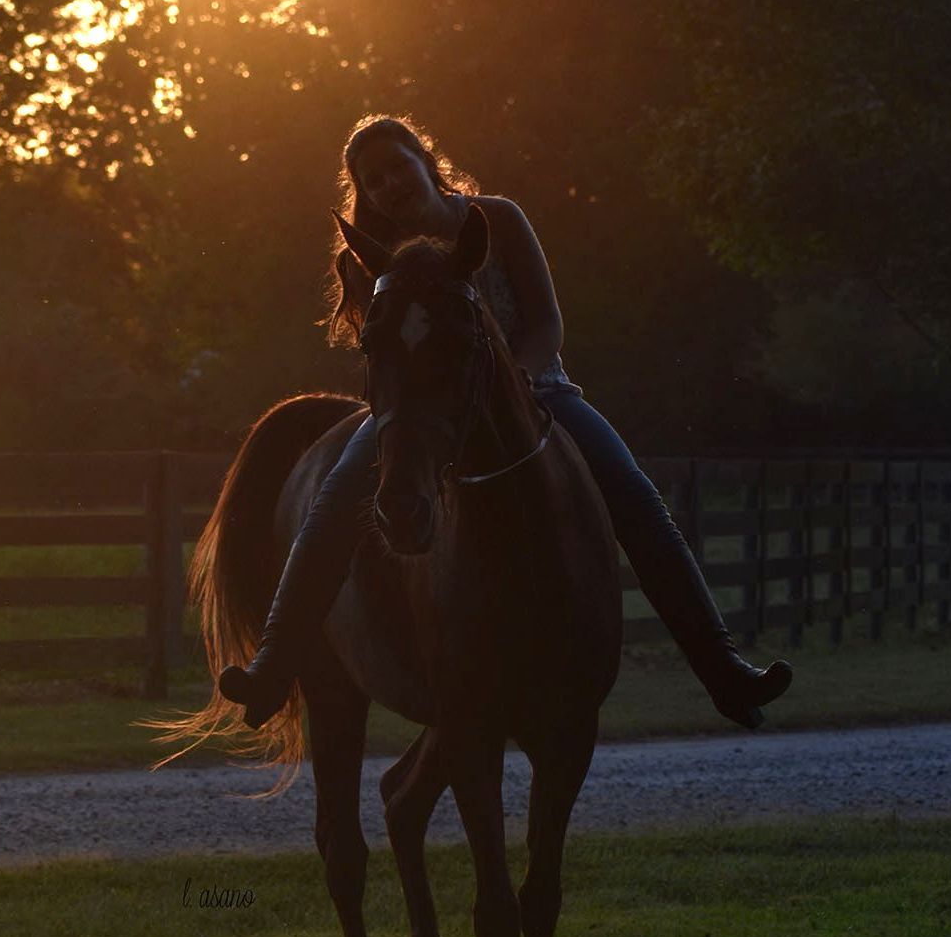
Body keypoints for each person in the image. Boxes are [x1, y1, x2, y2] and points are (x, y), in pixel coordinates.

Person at [219, 115, 792, 729]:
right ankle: (274, 667)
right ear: (364, 192)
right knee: (331, 504)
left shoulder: (498, 219)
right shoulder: (379, 261)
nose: (389, 186)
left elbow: (547, 323)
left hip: (536, 393)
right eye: (373, 180)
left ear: (426, 159)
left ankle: (723, 668)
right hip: (425, 414)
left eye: (398, 167)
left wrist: (517, 378)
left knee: (634, 495)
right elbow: (387, 353)